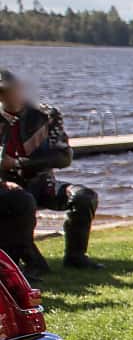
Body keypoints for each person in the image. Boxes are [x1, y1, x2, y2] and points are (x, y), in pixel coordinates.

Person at [1, 68, 100, 277]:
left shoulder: (45, 115)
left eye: (10, 90)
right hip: (8, 188)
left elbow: (64, 156)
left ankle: (76, 257)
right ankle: (23, 263)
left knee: (83, 197)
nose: (8, 96)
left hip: (42, 183)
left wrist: (19, 163)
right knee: (19, 201)